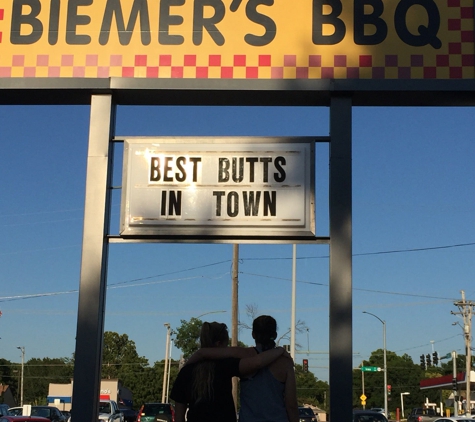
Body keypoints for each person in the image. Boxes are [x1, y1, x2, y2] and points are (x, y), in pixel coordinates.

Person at [170, 321, 289, 422]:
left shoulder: (186, 372)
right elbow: (257, 362)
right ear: (219, 344)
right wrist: (279, 351)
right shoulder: (225, 365)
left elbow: (179, 415)